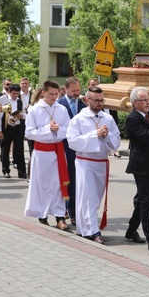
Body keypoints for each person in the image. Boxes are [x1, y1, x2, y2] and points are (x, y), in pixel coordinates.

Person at [66, 86, 120, 245]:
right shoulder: (78, 119)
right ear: (88, 100)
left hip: (102, 162)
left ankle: (84, 229)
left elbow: (116, 140)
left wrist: (107, 135)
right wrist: (94, 135)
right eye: (96, 100)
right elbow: (72, 141)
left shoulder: (107, 119)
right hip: (85, 162)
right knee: (88, 197)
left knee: (94, 198)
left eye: (101, 100)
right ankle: (94, 231)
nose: (99, 103)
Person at [24, 81, 71, 230]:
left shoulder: (62, 109)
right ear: (43, 93)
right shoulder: (34, 110)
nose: (54, 97)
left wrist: (58, 130)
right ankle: (42, 216)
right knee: (42, 185)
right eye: (51, 94)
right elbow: (29, 133)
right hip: (42, 153)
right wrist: (47, 129)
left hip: (57, 151)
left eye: (56, 94)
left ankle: (60, 217)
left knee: (58, 184)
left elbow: (70, 130)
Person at [124, 87, 149, 253]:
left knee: (143, 198)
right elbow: (146, 138)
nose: (148, 103)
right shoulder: (132, 119)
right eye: (145, 100)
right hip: (140, 165)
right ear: (135, 103)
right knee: (146, 201)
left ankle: (131, 230)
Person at [58, 76, 86, 225]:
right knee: (65, 180)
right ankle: (63, 211)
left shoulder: (84, 103)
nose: (76, 93)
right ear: (66, 89)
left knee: (77, 181)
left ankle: (74, 212)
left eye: (78, 90)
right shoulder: (59, 104)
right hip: (64, 147)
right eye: (73, 90)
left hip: (81, 148)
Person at [0, 84, 27, 180]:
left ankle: (22, 172)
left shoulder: (20, 101)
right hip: (6, 127)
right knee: (5, 149)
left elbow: (25, 113)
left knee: (19, 149)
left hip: (17, 127)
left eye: (17, 93)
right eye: (14, 93)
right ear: (9, 91)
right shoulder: (4, 100)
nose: (15, 95)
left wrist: (21, 116)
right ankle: (6, 170)